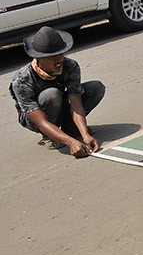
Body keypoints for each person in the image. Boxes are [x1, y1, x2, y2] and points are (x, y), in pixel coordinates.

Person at [9, 26, 105, 158]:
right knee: (51, 95)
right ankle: (48, 136)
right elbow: (40, 121)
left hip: (59, 105)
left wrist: (85, 134)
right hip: (35, 118)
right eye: (52, 56)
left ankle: (71, 128)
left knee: (95, 88)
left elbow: (75, 102)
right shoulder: (22, 80)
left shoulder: (70, 66)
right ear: (39, 58)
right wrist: (70, 142)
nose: (59, 59)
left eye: (60, 53)